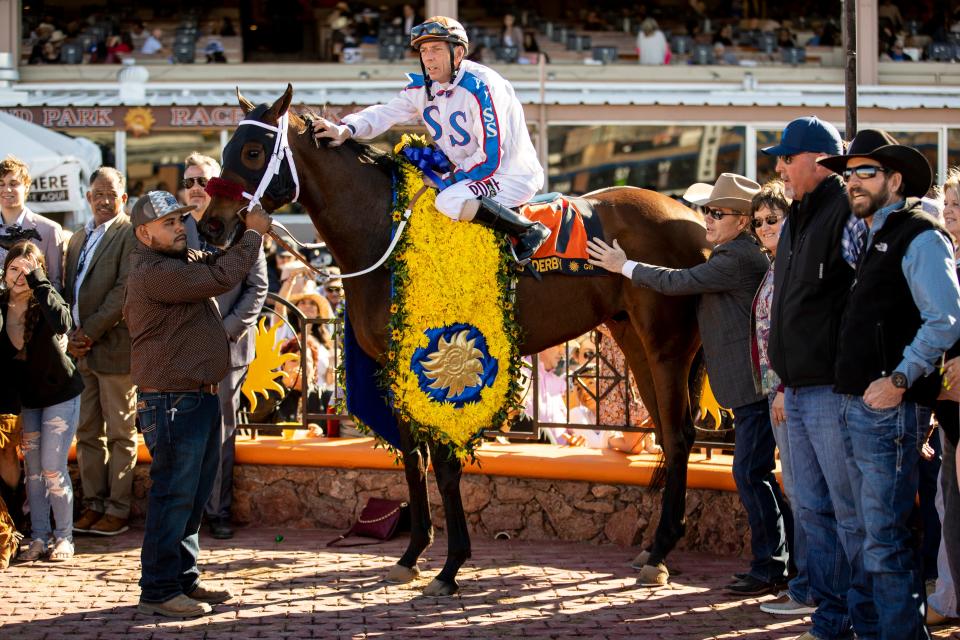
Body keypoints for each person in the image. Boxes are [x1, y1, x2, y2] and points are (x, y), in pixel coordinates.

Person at [587, 173, 792, 594]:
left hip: (754, 391)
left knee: (752, 477)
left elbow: (678, 283)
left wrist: (621, 266)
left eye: (717, 213)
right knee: (756, 476)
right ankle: (783, 561)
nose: (706, 220)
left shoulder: (734, 258)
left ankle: (771, 566)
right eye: (706, 211)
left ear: (740, 221)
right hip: (750, 390)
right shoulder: (735, 253)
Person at [820, 129, 960, 640]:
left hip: (888, 411)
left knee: (885, 540)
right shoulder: (876, 234)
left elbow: (945, 320)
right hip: (860, 405)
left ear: (895, 179)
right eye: (849, 173)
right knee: (868, 536)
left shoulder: (919, 233)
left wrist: (899, 379)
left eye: (866, 172)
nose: (853, 182)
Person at [124, 191, 271, 618]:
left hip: (193, 398)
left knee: (189, 498)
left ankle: (182, 582)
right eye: (168, 223)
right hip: (174, 401)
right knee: (174, 496)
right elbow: (224, 275)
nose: (178, 228)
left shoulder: (174, 262)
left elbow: (216, 262)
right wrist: (254, 236)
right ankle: (159, 590)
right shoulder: (152, 271)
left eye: (178, 220)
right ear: (144, 233)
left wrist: (237, 228)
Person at [761, 116, 873, 640]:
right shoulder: (800, 215)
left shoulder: (846, 214)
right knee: (812, 511)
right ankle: (831, 619)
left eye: (787, 157)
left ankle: (864, 619)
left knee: (848, 514)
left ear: (817, 161)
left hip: (833, 390)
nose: (779, 167)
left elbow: (866, 301)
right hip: (799, 390)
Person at [312, 16, 550, 264]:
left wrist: (447, 179)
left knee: (448, 200)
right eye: (424, 50)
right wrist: (345, 129)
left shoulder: (483, 86)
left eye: (436, 49)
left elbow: (490, 158)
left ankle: (528, 230)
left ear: (457, 53)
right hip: (473, 173)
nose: (428, 57)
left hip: (509, 175)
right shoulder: (423, 88)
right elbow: (386, 112)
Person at [181, 153, 268, 541]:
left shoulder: (243, 227)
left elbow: (258, 288)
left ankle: (217, 511)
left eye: (205, 182)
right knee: (183, 430)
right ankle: (186, 509)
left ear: (219, 188)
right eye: (191, 182)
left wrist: (226, 331)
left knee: (219, 431)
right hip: (181, 351)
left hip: (227, 349)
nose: (197, 189)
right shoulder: (174, 229)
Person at [748, 180, 816, 617]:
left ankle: (809, 588)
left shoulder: (789, 264)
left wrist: (784, 389)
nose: (764, 226)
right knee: (796, 487)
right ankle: (805, 581)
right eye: (757, 221)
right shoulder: (774, 264)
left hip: (788, 390)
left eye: (773, 219)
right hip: (777, 389)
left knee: (804, 490)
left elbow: (795, 330)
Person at [65, 167, 138, 537]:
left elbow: (124, 291)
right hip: (81, 353)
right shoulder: (78, 238)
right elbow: (69, 290)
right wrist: (71, 336)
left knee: (121, 433)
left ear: (123, 198)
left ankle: (118, 509)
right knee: (87, 432)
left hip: (114, 349)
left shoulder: (130, 234)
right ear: (88, 197)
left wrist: (89, 331)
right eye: (98, 194)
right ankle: (93, 504)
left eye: (111, 194)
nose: (104, 201)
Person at [2, 241, 83, 562]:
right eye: (13, 269)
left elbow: (64, 323)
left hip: (60, 394)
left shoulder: (45, 303)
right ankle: (38, 537)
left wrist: (39, 282)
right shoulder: (0, 304)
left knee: (51, 468)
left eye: (28, 269)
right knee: (33, 471)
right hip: (27, 400)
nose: (20, 276)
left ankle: (64, 537)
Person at [929, 166, 960, 628]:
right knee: (946, 501)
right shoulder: (947, 260)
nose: (951, 213)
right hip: (949, 406)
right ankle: (950, 599)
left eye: (959, 207)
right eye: (948, 204)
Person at [0, 156, 65, 291]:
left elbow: (55, 282)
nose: (7, 189)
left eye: (13, 183)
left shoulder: (49, 230)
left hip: (34, 309)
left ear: (26, 186)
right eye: (1, 184)